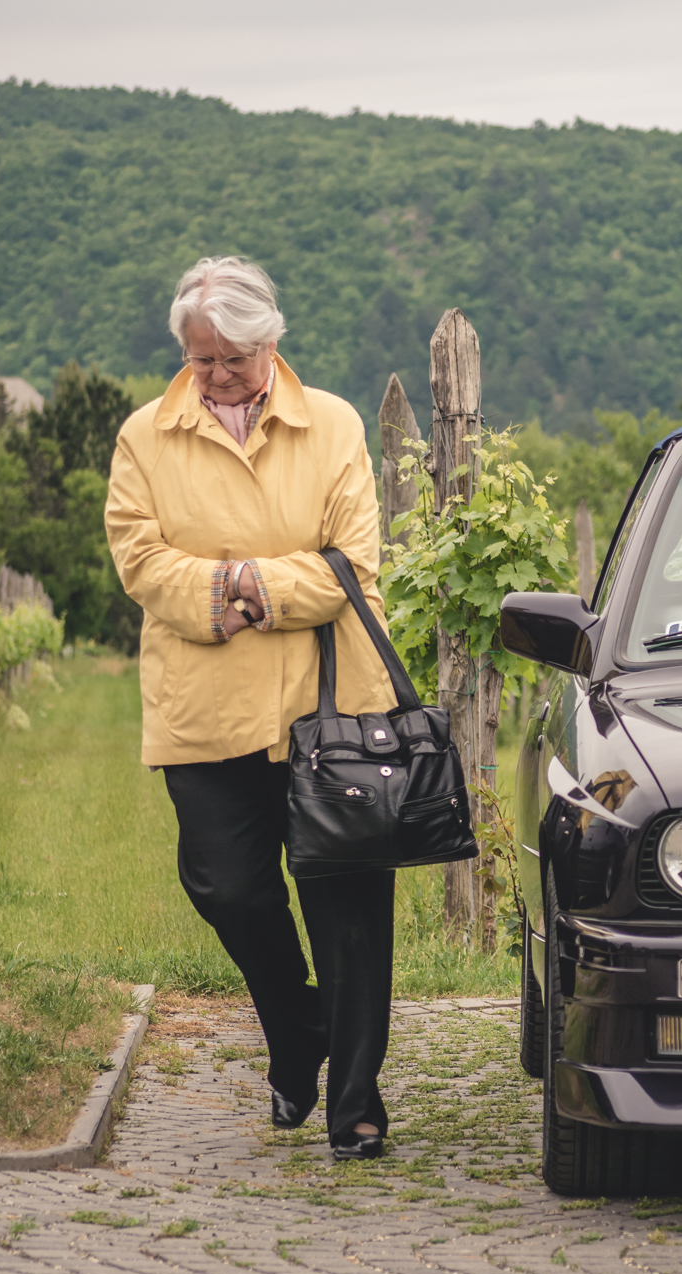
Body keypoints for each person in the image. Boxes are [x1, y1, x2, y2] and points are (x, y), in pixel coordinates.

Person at [105, 255, 397, 1160]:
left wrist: (244, 586)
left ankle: (356, 1105)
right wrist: (225, 591)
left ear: (271, 344)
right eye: (203, 360)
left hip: (331, 706)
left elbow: (350, 565)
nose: (219, 375)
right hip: (204, 709)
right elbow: (140, 561)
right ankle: (300, 1030)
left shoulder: (334, 424)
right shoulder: (145, 437)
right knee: (225, 888)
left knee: (347, 907)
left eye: (234, 358)